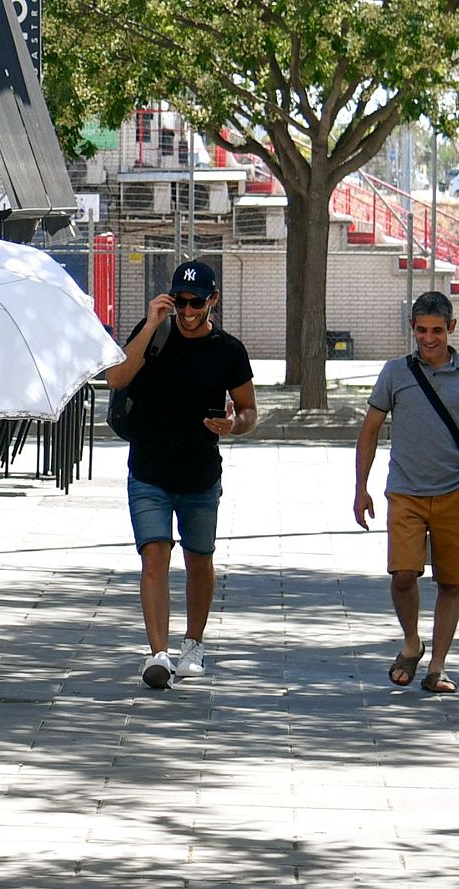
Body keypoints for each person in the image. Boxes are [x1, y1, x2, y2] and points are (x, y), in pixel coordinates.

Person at [104, 260, 257, 689]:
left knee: (199, 560)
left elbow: (249, 410)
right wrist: (152, 324)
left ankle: (193, 643)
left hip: (201, 473)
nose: (187, 312)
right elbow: (116, 377)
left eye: (196, 303)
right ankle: (157, 653)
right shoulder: (153, 333)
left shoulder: (228, 349)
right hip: (149, 469)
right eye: (180, 302)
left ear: (213, 301)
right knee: (154, 554)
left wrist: (234, 425)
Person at [354, 291, 459, 695]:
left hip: (457, 492)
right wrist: (360, 489)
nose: (429, 338)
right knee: (403, 575)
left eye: (437, 330)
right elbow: (369, 431)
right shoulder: (395, 373)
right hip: (405, 491)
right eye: (422, 330)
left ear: (452, 329)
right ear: (412, 329)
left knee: (450, 583)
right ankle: (411, 642)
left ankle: (437, 666)